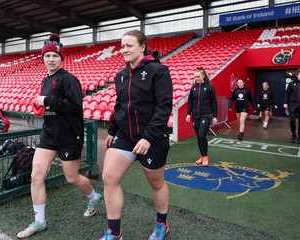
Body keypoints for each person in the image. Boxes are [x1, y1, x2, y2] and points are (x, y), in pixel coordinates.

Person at [17, 34, 102, 239]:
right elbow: (48, 105)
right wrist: (41, 105)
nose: (51, 59)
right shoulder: (46, 80)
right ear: (43, 58)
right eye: (48, 56)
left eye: (55, 56)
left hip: (69, 136)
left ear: (61, 58)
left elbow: (75, 107)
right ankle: (39, 221)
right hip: (49, 135)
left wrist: (48, 100)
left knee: (71, 178)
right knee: (36, 176)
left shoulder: (68, 79)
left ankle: (94, 197)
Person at [99, 30, 173, 240]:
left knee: (156, 183)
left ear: (142, 46)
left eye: (129, 45)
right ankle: (114, 232)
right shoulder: (121, 75)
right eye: (122, 46)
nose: (124, 50)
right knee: (109, 176)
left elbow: (163, 107)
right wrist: (112, 131)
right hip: (124, 135)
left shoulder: (159, 71)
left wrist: (148, 137)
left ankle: (161, 224)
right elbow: (120, 105)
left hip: (153, 138)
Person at [186, 68, 218, 166]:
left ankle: (205, 156)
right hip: (195, 116)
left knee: (201, 135)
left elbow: (214, 102)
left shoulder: (209, 87)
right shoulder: (193, 87)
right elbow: (190, 101)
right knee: (198, 137)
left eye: (198, 77)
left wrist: (215, 116)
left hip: (206, 115)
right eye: (195, 77)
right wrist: (188, 113)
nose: (196, 78)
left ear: (203, 76)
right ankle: (202, 156)